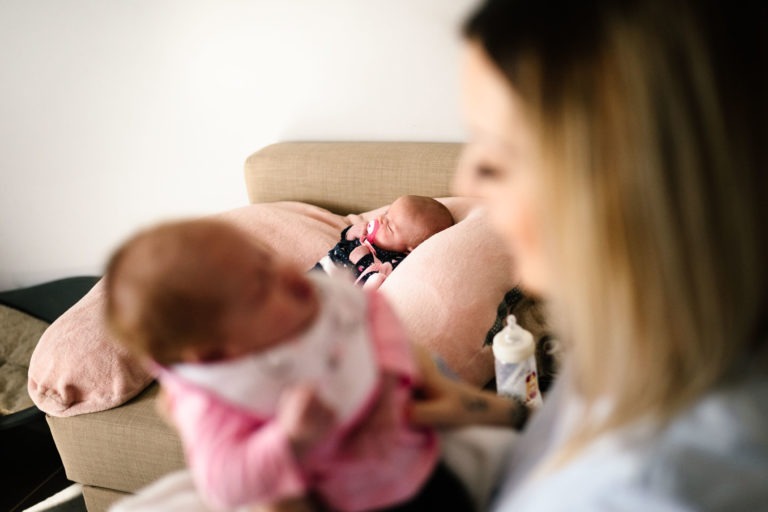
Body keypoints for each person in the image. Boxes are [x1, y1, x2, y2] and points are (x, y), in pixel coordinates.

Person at [409, 0, 768, 510]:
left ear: (625, 188)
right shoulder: (652, 337)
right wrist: (491, 414)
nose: (464, 182)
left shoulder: (658, 491)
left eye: (495, 155)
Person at [102, 218, 479, 512]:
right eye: (259, 288)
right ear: (213, 352)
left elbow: (371, 311)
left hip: (417, 467)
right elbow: (223, 481)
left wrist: (389, 373)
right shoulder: (213, 391)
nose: (284, 273)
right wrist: (290, 440)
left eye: (264, 258)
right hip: (336, 501)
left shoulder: (313, 302)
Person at [315, 195, 454, 289]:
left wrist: (367, 267)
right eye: (387, 213)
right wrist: (351, 233)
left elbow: (378, 281)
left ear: (411, 248)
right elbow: (343, 242)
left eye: (388, 226)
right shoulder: (364, 235)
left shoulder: (393, 261)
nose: (381, 219)